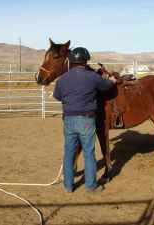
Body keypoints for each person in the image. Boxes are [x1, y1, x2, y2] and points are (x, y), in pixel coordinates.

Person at [53, 47, 116, 193]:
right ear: (85, 61)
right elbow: (106, 86)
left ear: (72, 61)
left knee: (69, 152)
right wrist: (111, 80)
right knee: (88, 152)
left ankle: (68, 186)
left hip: (68, 119)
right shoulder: (92, 77)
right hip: (86, 119)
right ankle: (90, 186)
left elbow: (57, 96)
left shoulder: (62, 79)